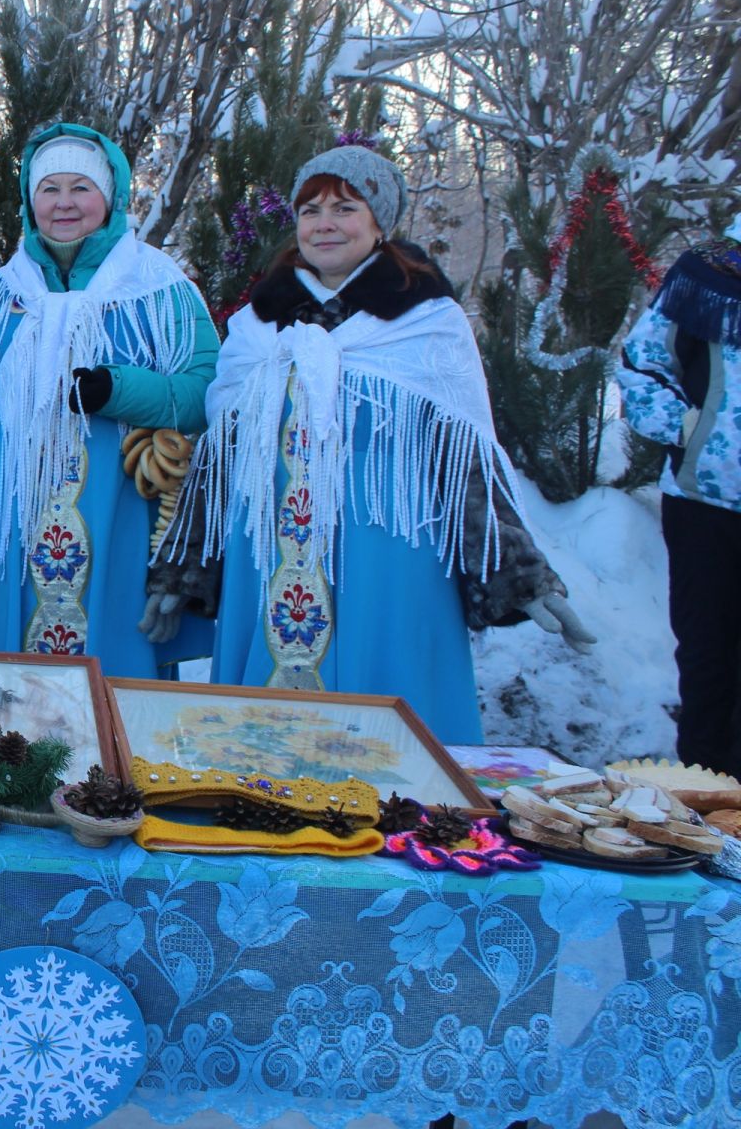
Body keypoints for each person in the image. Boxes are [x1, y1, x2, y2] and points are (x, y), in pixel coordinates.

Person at [148, 145, 591, 742]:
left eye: (344, 207)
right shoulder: (258, 328)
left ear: (381, 221)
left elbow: (467, 465)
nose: (324, 223)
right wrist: (182, 572)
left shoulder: (426, 322)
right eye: (310, 210)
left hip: (389, 563)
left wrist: (521, 576)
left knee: (385, 734)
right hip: (274, 561)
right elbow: (221, 460)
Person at [0, 124, 219, 670]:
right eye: (49, 188)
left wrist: (118, 390)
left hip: (119, 515)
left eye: (80, 187)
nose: (63, 203)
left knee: (108, 674)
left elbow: (205, 394)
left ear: (110, 197)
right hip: (7, 521)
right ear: (29, 200)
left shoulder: (159, 288)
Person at [618, 219, 741, 775]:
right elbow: (643, 359)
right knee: (708, 653)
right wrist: (688, 430)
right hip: (706, 500)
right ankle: (710, 795)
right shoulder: (708, 271)